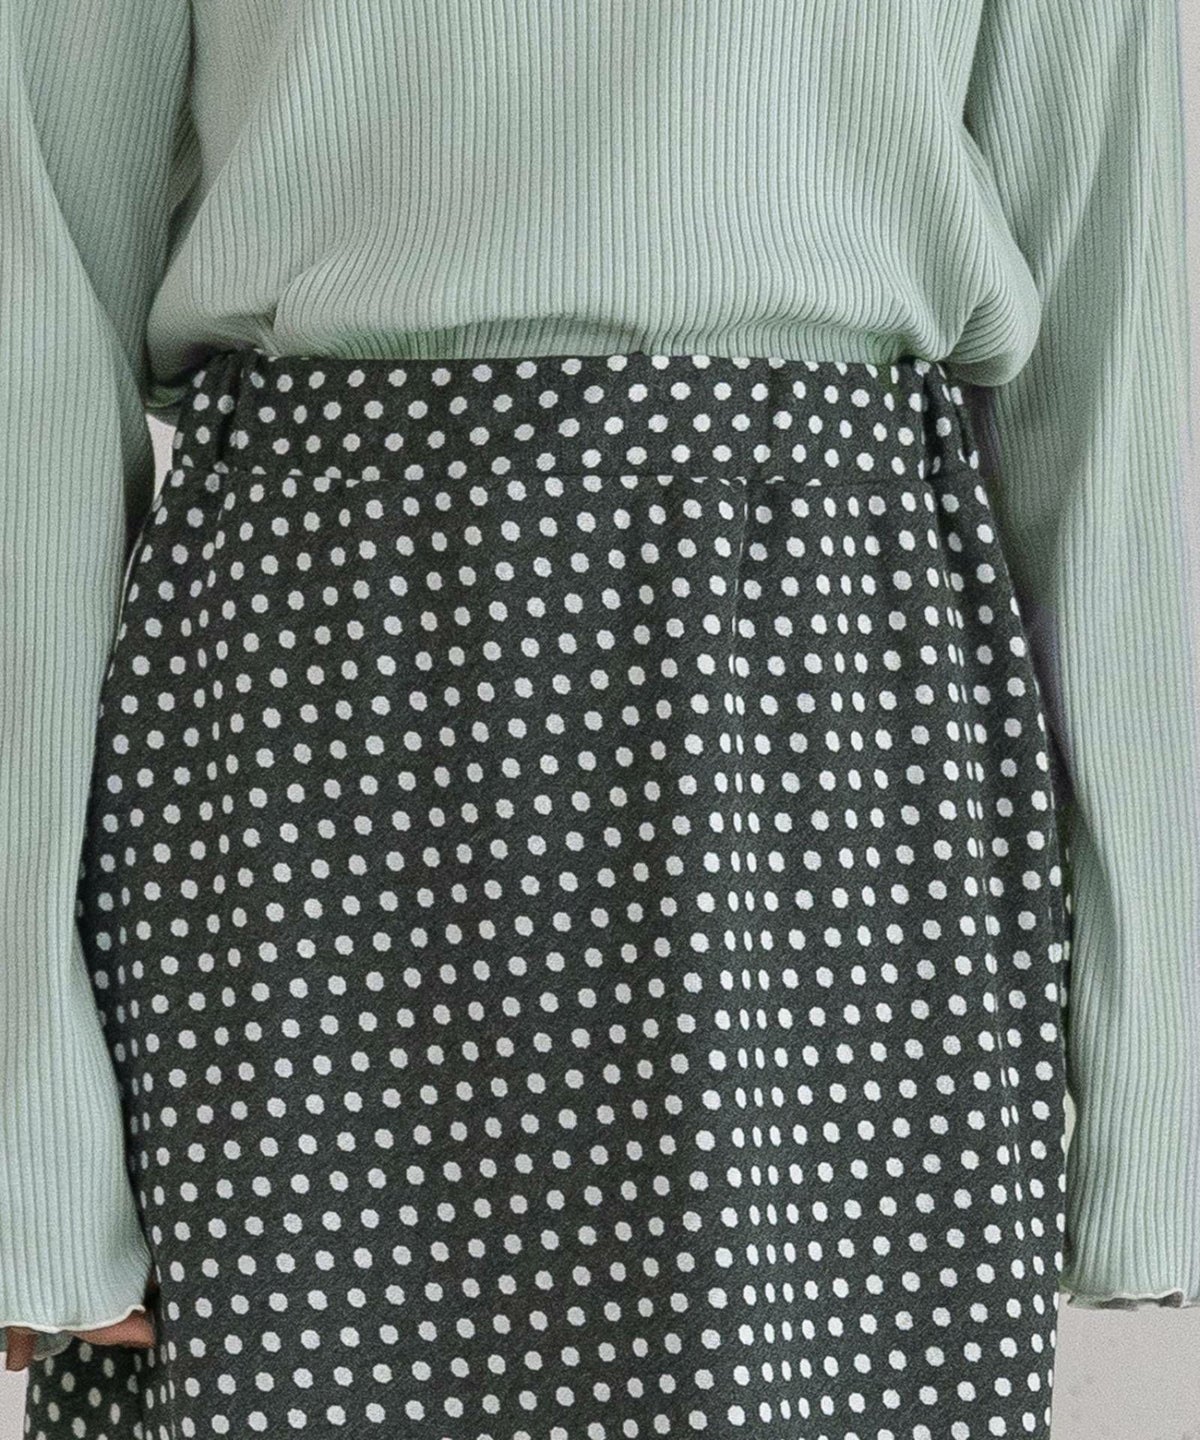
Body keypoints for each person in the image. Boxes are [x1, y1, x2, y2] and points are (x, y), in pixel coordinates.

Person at [2, 1, 1197, 1436]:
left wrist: (1160, 1080)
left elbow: (1113, 361)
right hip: (324, 764)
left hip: (824, 758)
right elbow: (34, 321)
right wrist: (26, 1124)